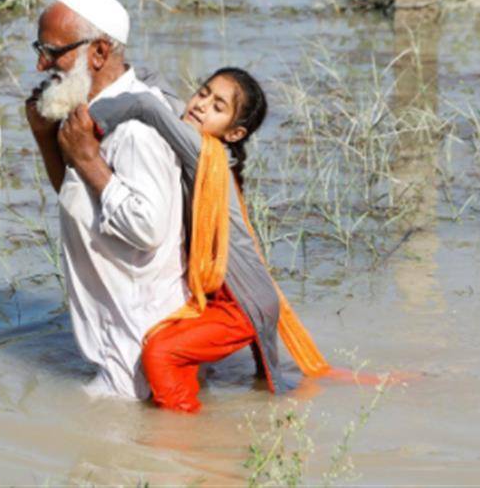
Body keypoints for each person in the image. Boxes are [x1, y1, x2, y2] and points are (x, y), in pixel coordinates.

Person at [82, 68, 333, 413]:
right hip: (245, 295)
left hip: (240, 303)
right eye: (202, 93)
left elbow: (147, 105)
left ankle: (183, 437)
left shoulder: (202, 151)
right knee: (271, 393)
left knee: (161, 351)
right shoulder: (208, 150)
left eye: (218, 106)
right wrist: (135, 72)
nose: (201, 106)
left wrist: (85, 123)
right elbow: (162, 95)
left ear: (234, 133)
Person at [24, 0, 189, 400]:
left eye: (54, 50)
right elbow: (81, 197)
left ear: (98, 53)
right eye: (38, 48)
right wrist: (48, 139)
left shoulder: (135, 128)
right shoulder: (91, 114)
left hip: (137, 357)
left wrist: (91, 161)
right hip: (116, 348)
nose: (42, 63)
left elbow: (147, 226)